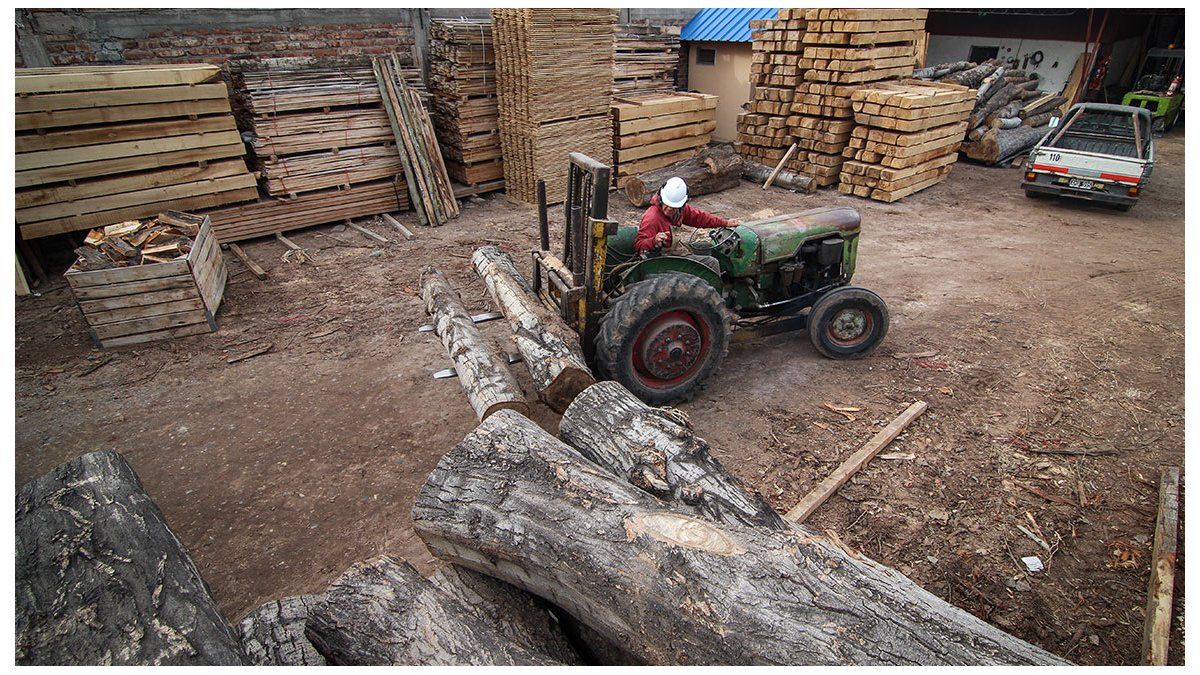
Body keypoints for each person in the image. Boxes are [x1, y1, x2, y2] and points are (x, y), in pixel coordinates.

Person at [634, 177, 740, 256]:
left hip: (674, 248)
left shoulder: (681, 210)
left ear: (682, 205)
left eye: (674, 207)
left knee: (708, 247)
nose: (669, 209)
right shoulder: (652, 218)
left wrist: (725, 223)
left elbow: (700, 218)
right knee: (712, 263)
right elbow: (639, 246)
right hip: (663, 257)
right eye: (667, 204)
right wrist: (653, 241)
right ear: (661, 199)